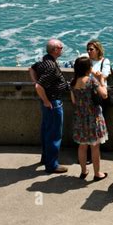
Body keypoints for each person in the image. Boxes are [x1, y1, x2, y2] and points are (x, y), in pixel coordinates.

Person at [28, 38, 70, 174]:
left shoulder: (43, 61)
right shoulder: (51, 67)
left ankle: (45, 158)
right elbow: (39, 86)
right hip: (53, 103)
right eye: (61, 47)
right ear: (55, 50)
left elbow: (31, 69)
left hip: (48, 103)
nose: (62, 49)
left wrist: (37, 84)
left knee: (46, 131)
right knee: (54, 134)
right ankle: (52, 165)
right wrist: (46, 101)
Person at [70, 56, 108, 181]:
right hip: (93, 117)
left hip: (80, 118)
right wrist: (101, 79)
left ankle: (83, 171)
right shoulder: (92, 80)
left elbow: (74, 101)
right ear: (88, 68)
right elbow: (104, 94)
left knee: (82, 146)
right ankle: (97, 174)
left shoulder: (73, 82)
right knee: (95, 146)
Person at [85, 40, 111, 164]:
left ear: (98, 50)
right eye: (88, 49)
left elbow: (104, 76)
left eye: (91, 49)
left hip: (98, 96)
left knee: (96, 125)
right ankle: (88, 153)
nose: (89, 52)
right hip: (86, 95)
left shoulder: (104, 62)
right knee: (86, 124)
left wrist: (90, 72)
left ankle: (93, 154)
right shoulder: (86, 61)